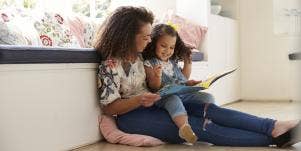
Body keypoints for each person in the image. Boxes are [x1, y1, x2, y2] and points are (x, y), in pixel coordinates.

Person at [95, 6, 301, 147]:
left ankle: (273, 126)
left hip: (159, 102)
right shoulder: (110, 66)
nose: (149, 41)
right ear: (127, 36)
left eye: (150, 36)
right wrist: (139, 99)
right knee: (201, 127)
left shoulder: (143, 57)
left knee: (210, 110)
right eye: (145, 36)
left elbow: (162, 70)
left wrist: (184, 85)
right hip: (134, 117)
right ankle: (272, 139)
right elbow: (109, 106)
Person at [142, 23, 212, 144]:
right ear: (153, 44)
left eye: (171, 47)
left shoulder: (172, 62)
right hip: (163, 97)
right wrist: (157, 76)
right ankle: (184, 128)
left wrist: (189, 81)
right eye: (163, 46)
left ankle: (210, 120)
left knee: (207, 97)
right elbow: (154, 87)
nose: (168, 51)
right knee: (173, 100)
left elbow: (182, 79)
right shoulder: (149, 63)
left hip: (182, 94)